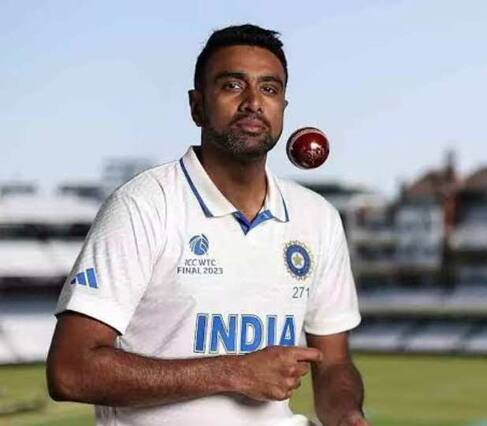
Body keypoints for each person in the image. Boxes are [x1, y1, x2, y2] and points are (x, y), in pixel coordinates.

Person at [46, 24, 368, 426]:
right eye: (233, 85)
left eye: (269, 89)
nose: (253, 103)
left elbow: (334, 363)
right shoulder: (143, 205)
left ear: (283, 108)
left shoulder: (317, 217)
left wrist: (347, 415)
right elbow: (70, 371)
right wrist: (233, 372)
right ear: (196, 106)